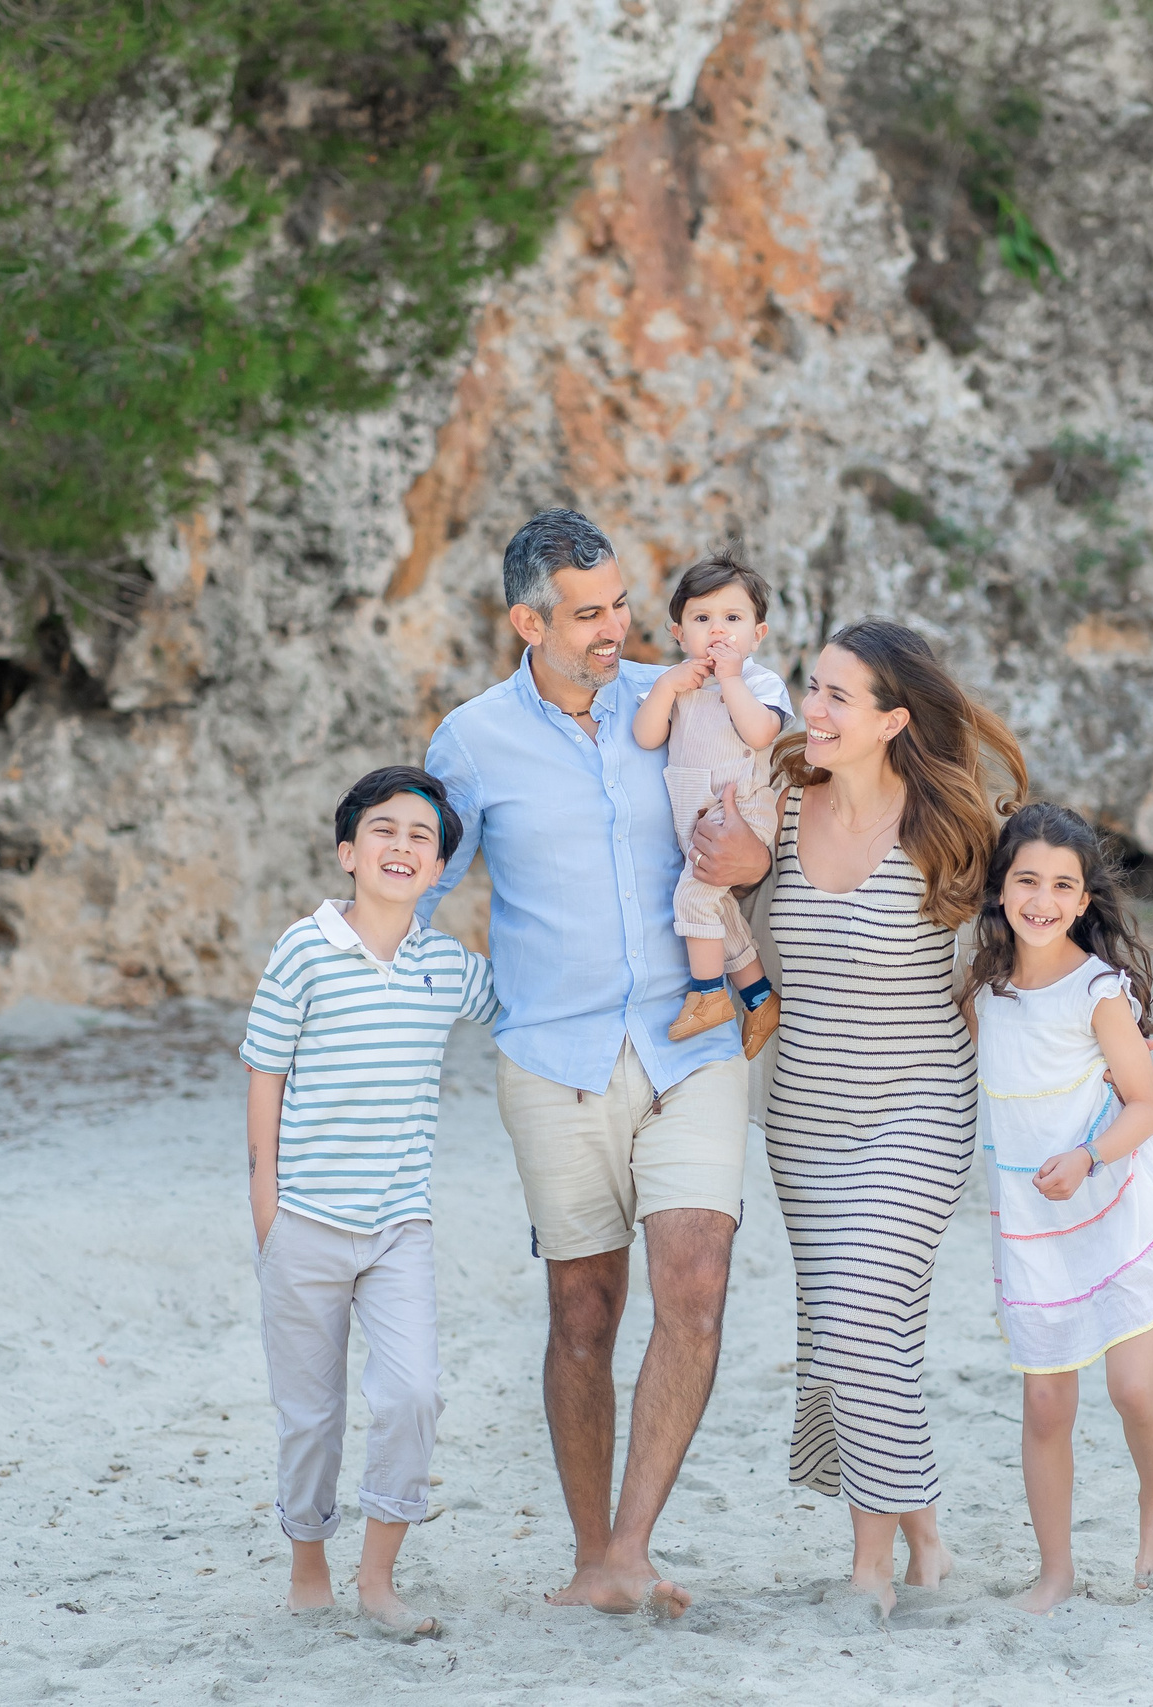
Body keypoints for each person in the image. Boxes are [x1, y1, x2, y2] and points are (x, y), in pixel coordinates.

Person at [419, 509, 788, 1616]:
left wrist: (754, 853)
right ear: (527, 620)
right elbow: (423, 886)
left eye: (623, 603)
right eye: (589, 614)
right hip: (555, 1058)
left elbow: (755, 821)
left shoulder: (676, 703)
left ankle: (631, 1547)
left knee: (696, 1285)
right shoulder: (472, 740)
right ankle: (593, 1556)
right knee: (582, 1310)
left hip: (693, 1041)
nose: (616, 628)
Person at [758, 618, 1029, 1613]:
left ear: (893, 722)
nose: (810, 709)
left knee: (858, 1325)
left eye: (835, 696)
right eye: (810, 688)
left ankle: (869, 1568)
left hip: (916, 1111)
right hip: (804, 1122)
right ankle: (925, 1542)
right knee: (861, 1337)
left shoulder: (952, 826)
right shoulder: (782, 805)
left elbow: (1030, 941)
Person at [239, 765, 502, 1637]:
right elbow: (265, 1074)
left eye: (421, 838)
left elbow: (519, 1010)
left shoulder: (445, 967)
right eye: (383, 830)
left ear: (438, 872)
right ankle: (308, 1563)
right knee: (310, 1415)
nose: (402, 845)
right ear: (349, 851)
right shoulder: (305, 948)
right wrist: (267, 1209)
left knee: (413, 1395)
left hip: (399, 1231)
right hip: (305, 1224)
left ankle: (378, 1577)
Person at [964, 800, 1153, 1613]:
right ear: (1001, 888)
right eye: (1027, 879)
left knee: (1132, 1387)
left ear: (1085, 901)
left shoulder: (1098, 990)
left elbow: (1145, 1105)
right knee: (1045, 1400)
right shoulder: (983, 986)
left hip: (1109, 1201)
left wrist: (1087, 1156)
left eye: (1062, 886)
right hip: (1030, 1219)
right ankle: (1056, 1569)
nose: (1042, 899)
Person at [630, 552, 785, 1052]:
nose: (717, 632)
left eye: (733, 619)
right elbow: (647, 736)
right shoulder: (680, 685)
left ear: (757, 635)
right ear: (678, 634)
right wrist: (665, 687)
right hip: (692, 810)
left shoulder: (759, 684)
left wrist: (733, 680)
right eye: (702, 619)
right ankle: (760, 998)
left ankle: (708, 993)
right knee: (716, 910)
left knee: (692, 897)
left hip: (739, 811)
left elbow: (761, 733)